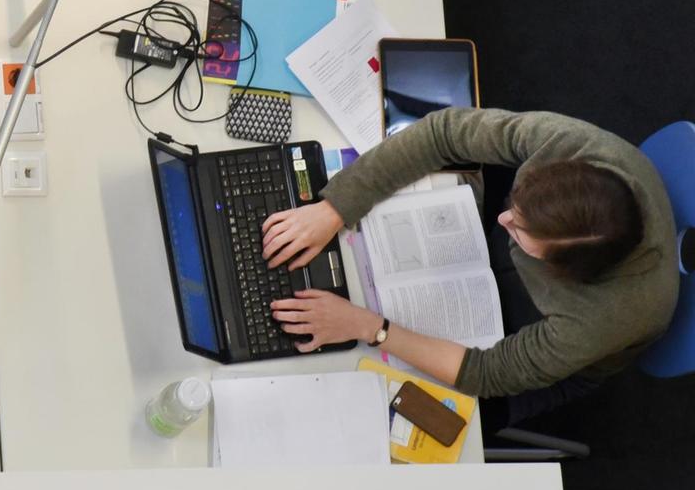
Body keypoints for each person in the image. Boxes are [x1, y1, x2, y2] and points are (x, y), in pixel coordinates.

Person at [260, 108, 678, 425]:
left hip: (539, 350)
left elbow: (486, 373)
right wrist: (337, 206)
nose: (504, 219)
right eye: (517, 208)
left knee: (414, 419)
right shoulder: (574, 147)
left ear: (560, 269)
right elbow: (444, 133)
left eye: (520, 232)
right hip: (495, 268)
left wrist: (371, 328)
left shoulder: (604, 317)